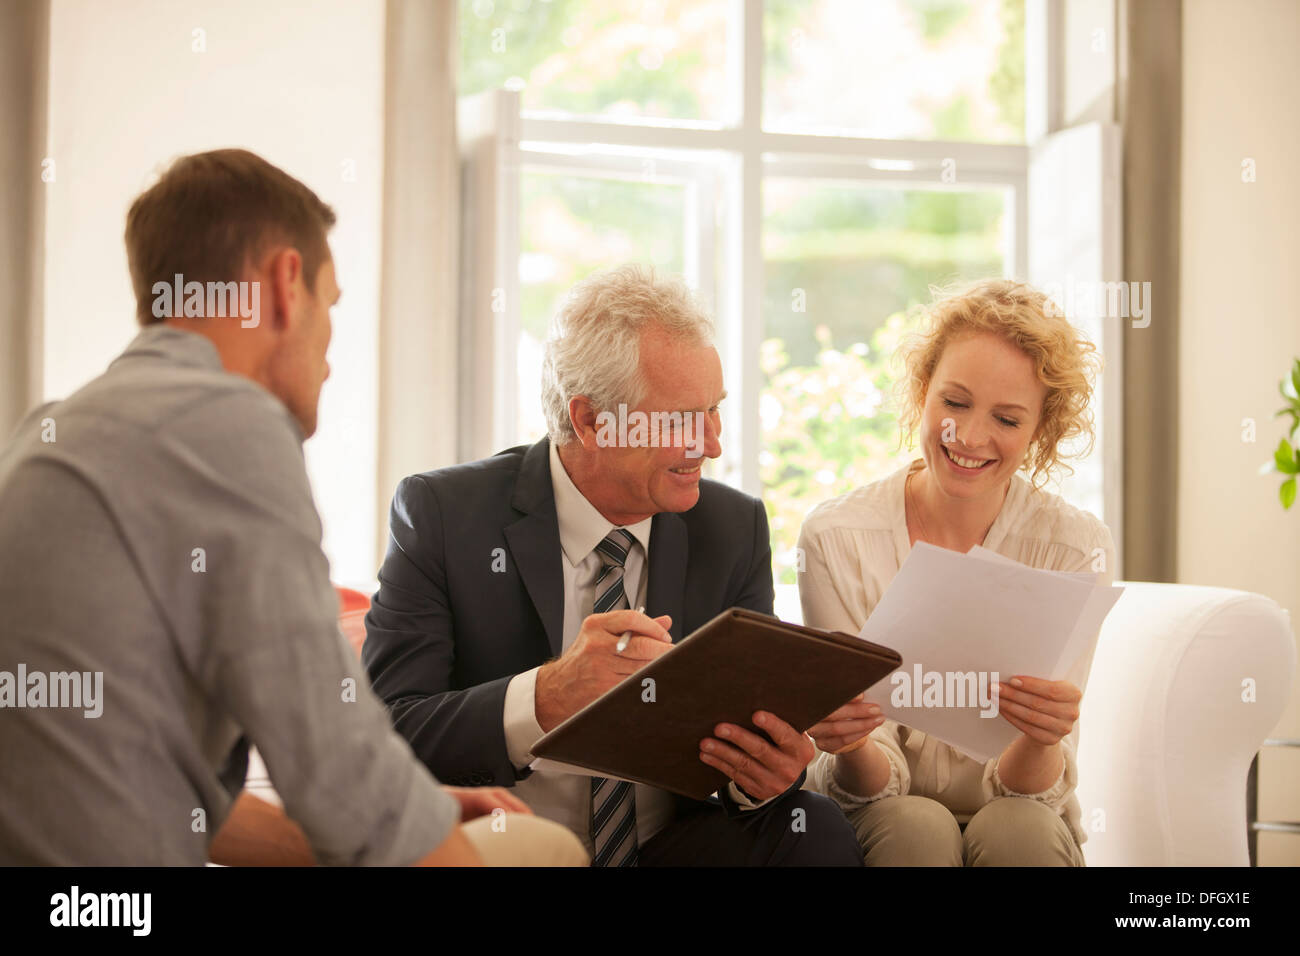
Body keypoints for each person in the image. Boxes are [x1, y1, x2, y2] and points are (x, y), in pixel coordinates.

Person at [0, 148, 585, 867]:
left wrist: (418, 811)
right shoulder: (226, 423)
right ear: (284, 284)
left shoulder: (51, 432)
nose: (330, 353)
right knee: (539, 851)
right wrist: (422, 839)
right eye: (329, 305)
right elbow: (329, 755)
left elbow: (180, 801)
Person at [363, 264, 862, 866]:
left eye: (714, 410)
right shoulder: (444, 514)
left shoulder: (732, 529)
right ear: (591, 421)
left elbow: (746, 742)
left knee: (812, 822)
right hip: (506, 846)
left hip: (666, 849)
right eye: (681, 418)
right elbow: (388, 731)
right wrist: (545, 696)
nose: (710, 443)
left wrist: (759, 776)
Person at [798, 279, 1116, 866]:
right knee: (914, 826)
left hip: (1021, 816)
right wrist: (852, 742)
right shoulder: (836, 539)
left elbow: (1031, 792)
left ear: (1040, 431)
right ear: (923, 391)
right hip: (877, 816)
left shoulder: (1074, 548)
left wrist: (1043, 735)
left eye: (1008, 418)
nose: (969, 437)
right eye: (955, 402)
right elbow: (864, 783)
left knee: (1017, 828)